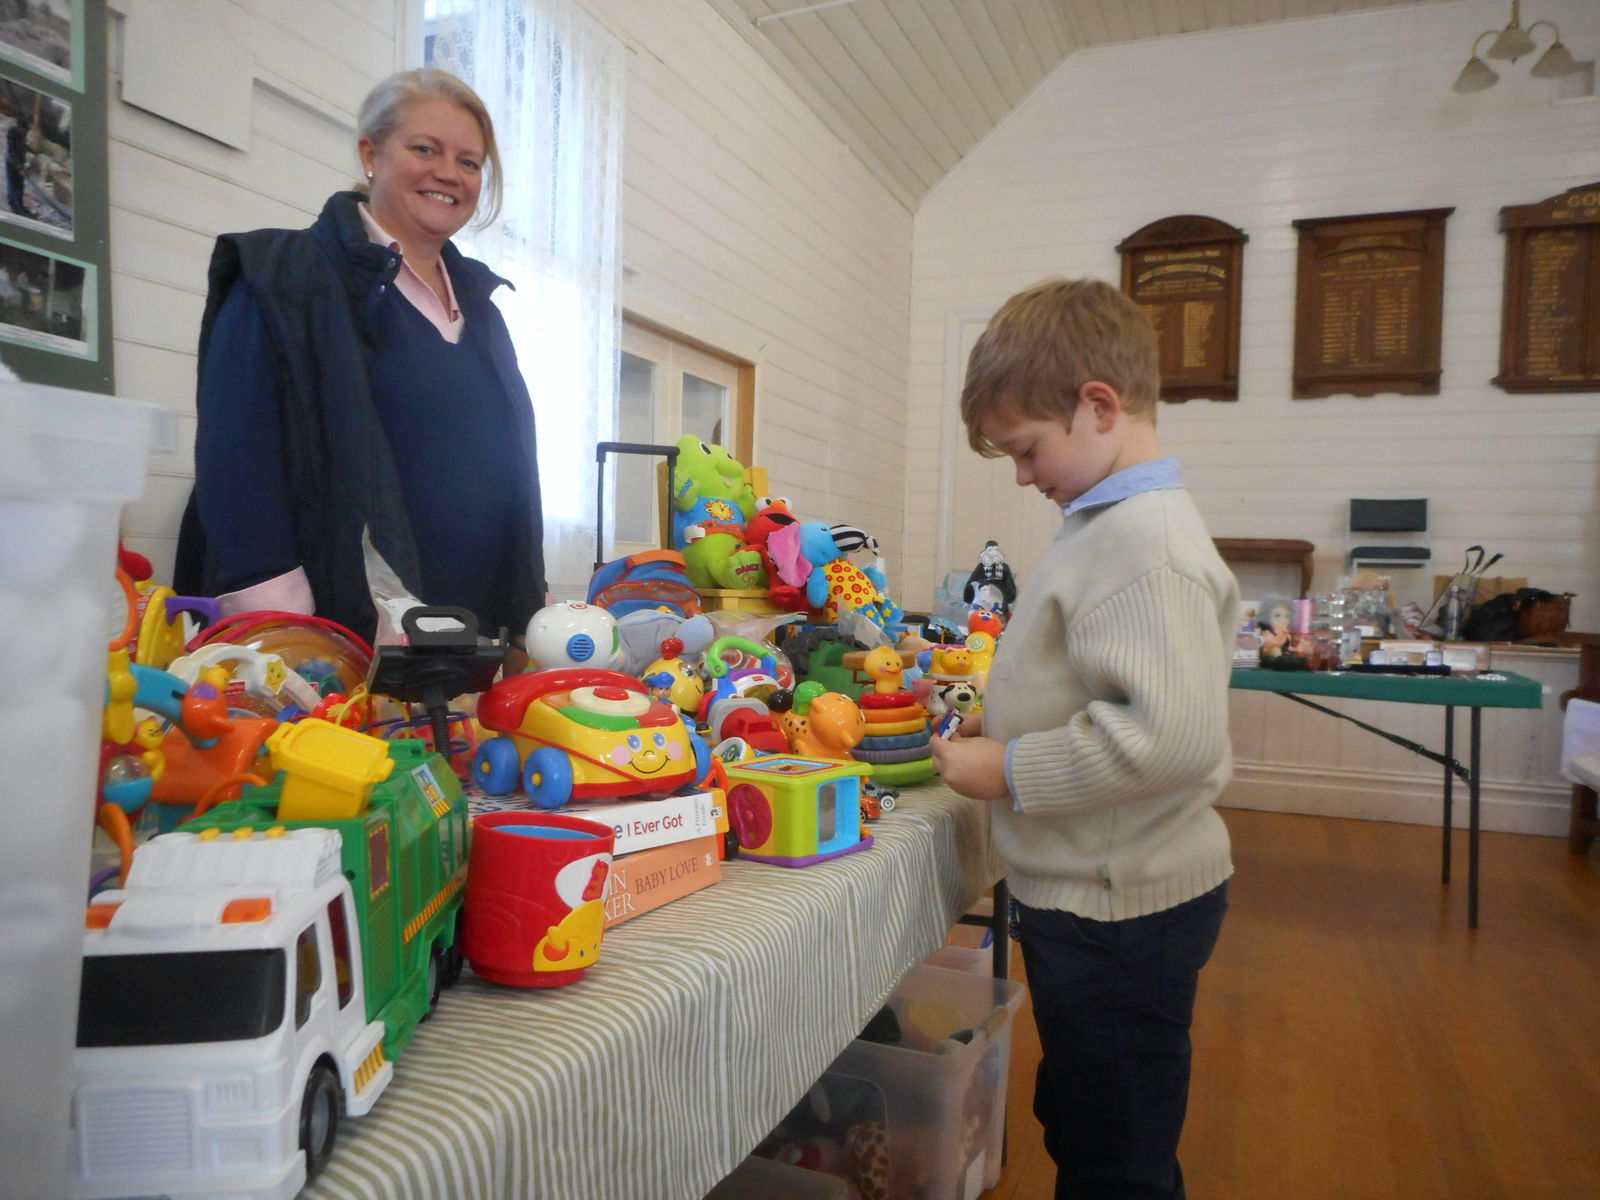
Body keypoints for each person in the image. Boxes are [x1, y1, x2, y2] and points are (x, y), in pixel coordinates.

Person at [930, 278, 1237, 1200]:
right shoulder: (1106, 523)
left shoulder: (1146, 545)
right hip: (1101, 896)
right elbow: (1093, 679)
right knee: (1084, 1113)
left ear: (1099, 406)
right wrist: (1006, 720)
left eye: (1028, 448)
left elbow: (1169, 739)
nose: (1024, 475)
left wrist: (1012, 766)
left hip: (1121, 911)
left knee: (1116, 1157)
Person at [175, 69, 545, 645]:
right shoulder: (284, 277)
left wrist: (524, 619)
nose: (449, 173)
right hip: (338, 635)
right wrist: (287, 634)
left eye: (469, 162)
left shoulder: (482, 307)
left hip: (468, 634)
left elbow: (511, 474)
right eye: (426, 149)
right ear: (371, 154)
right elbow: (237, 465)